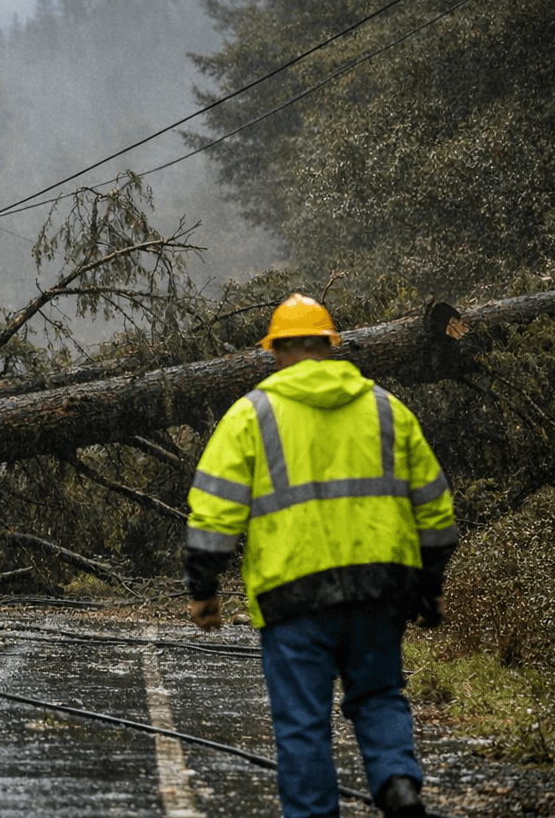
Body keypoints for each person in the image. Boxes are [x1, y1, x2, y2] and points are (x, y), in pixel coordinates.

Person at [183, 294, 458, 818]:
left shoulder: (251, 415)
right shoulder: (385, 408)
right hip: (381, 589)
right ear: (331, 348)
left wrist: (203, 591)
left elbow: (214, 514)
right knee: (378, 695)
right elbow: (435, 508)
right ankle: (398, 785)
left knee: (303, 723)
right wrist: (429, 585)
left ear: (277, 351)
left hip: (293, 599)